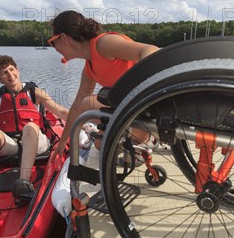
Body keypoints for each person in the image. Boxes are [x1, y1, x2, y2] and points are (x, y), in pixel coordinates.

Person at [48, 10, 159, 163]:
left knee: (87, 104)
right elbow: (75, 108)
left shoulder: (103, 44)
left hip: (149, 102)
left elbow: (150, 50)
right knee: (100, 144)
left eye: (52, 42)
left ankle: (145, 137)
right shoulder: (89, 68)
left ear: (63, 38)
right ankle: (135, 142)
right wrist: (63, 142)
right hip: (131, 108)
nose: (54, 47)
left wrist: (138, 89)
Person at [0, 55, 68, 204]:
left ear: (17, 69)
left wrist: (81, 117)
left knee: (30, 127)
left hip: (37, 143)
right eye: (5, 73)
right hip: (14, 145)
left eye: (12, 69)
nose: (11, 75)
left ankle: (23, 185)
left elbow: (60, 112)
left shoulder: (34, 92)